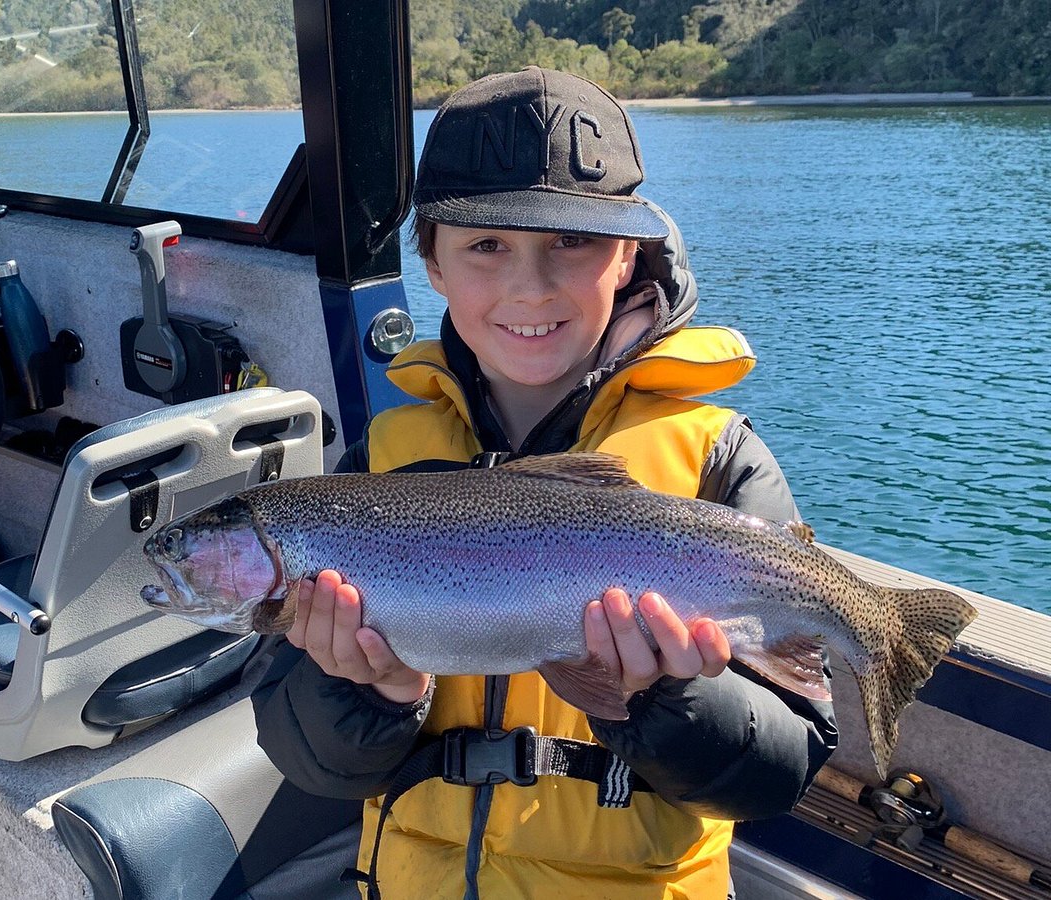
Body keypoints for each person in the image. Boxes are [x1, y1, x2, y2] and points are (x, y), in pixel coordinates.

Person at [252, 66, 838, 899]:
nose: (531, 285)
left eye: (573, 242)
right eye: (487, 246)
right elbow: (307, 758)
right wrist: (368, 692)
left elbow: (777, 774)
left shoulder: (719, 458)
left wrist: (665, 702)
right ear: (433, 266)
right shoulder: (378, 465)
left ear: (628, 253)